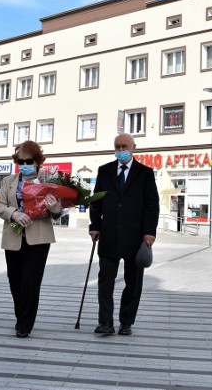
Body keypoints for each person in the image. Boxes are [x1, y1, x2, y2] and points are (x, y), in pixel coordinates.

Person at [89, 133, 159, 336]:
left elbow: (151, 205)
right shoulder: (105, 171)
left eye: (124, 147)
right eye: (117, 147)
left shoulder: (145, 173)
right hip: (109, 234)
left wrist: (149, 232)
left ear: (133, 147)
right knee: (105, 281)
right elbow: (96, 201)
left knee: (133, 282)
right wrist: (95, 225)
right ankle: (105, 322)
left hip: (135, 237)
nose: (120, 150)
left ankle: (126, 321)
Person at [0, 140, 63, 338]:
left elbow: (58, 211)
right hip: (14, 235)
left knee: (30, 281)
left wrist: (56, 209)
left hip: (38, 238)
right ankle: (20, 315)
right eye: (20, 161)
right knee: (14, 279)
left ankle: (25, 323)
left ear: (38, 161)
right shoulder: (9, 181)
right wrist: (14, 214)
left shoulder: (48, 180)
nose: (24, 165)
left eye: (28, 161)